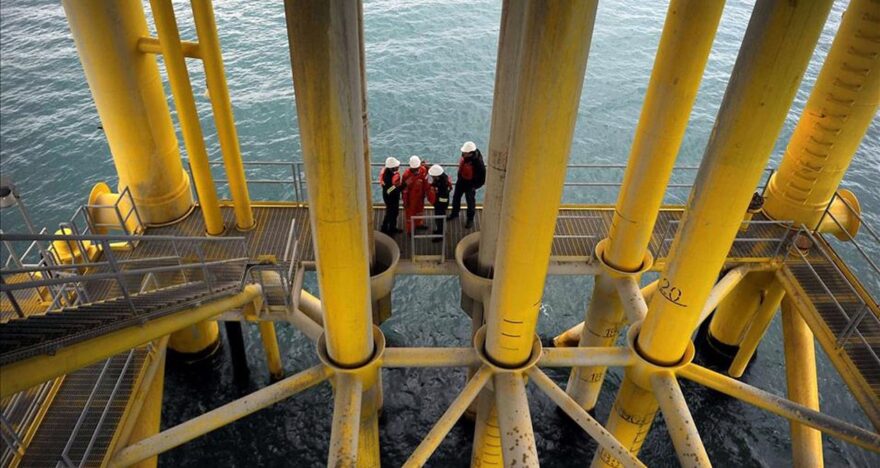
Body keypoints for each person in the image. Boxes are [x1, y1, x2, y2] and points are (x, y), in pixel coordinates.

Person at [447, 141, 485, 229]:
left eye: (465, 152)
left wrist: (474, 186)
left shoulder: (478, 163)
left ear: (471, 153)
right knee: (456, 198)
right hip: (461, 181)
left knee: (470, 202)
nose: (463, 154)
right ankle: (454, 213)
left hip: (470, 185)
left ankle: (470, 219)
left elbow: (482, 179)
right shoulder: (465, 158)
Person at [402, 155, 429, 233]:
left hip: (420, 196)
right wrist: (405, 201)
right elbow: (404, 190)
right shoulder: (406, 175)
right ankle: (410, 230)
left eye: (417, 168)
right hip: (410, 198)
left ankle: (418, 224)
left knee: (419, 211)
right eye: (414, 169)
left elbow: (425, 182)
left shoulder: (423, 170)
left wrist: (426, 193)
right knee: (410, 214)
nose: (416, 170)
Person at [427, 164, 452, 242]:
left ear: (436, 176)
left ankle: (440, 235)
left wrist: (436, 203)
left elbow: (442, 197)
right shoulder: (443, 177)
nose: (432, 177)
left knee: (440, 219)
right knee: (438, 219)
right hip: (440, 203)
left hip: (441, 205)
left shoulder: (442, 185)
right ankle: (439, 230)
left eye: (432, 176)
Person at [379, 157, 403, 235]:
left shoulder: (387, 173)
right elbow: (389, 190)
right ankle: (385, 229)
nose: (398, 166)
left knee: (394, 212)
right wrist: (401, 186)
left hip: (389, 196)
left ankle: (392, 228)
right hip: (390, 198)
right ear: (392, 167)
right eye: (396, 166)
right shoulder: (388, 178)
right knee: (390, 213)